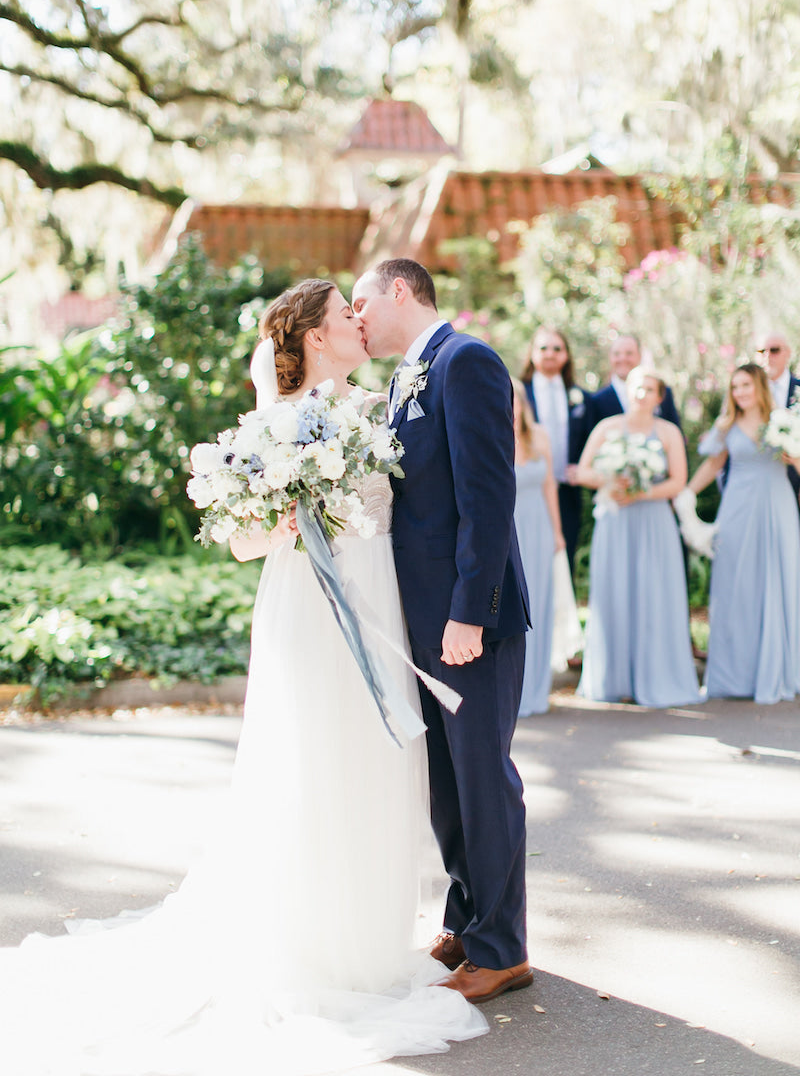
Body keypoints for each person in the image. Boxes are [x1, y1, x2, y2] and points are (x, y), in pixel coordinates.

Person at [0, 279, 487, 1075]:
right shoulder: (277, 424)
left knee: (376, 768)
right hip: (310, 611)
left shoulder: (376, 405)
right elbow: (244, 544)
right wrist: (288, 513)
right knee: (312, 768)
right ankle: (314, 950)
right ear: (316, 338)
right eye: (343, 317)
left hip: (380, 600)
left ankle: (367, 940)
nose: (358, 324)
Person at [352, 258, 532, 1006]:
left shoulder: (467, 362)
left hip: (467, 621)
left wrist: (470, 611)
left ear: (401, 291)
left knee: (483, 780)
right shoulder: (402, 380)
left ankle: (502, 949)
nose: (355, 317)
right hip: (419, 620)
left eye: (360, 302)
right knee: (447, 786)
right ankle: (467, 918)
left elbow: (488, 498)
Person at [575, 367, 703, 708]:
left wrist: (641, 492)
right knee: (615, 593)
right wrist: (610, 480)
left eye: (649, 388)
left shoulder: (669, 432)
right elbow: (581, 471)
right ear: (627, 390)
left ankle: (656, 675)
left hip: (654, 522)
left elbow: (678, 481)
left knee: (654, 593)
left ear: (660, 397)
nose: (642, 393)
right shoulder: (607, 427)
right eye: (636, 387)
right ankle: (614, 678)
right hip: (616, 521)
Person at [685, 363, 800, 703]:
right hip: (737, 509)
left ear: (760, 386)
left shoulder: (785, 420)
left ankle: (780, 669)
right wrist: (686, 494)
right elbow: (713, 464)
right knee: (735, 585)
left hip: (777, 508)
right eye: (735, 387)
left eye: (746, 385)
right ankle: (735, 675)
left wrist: (791, 453)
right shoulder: (727, 424)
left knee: (779, 582)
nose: (740, 392)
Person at [510, 377, 569, 715]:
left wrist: (557, 533)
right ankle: (513, 688)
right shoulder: (490, 435)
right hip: (509, 528)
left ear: (523, 403)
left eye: (514, 399)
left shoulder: (540, 437)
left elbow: (550, 486)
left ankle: (536, 690)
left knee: (540, 606)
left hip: (540, 528)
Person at [520, 326, 591, 574]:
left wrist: (583, 467)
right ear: (531, 353)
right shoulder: (518, 394)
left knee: (564, 552)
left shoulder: (581, 397)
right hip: (528, 487)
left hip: (567, 489)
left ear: (566, 355)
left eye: (557, 348)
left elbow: (590, 440)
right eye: (543, 348)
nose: (550, 353)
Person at [589, 334, 682, 430]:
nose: (622, 358)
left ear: (640, 355)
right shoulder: (596, 400)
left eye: (629, 353)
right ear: (610, 357)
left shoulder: (662, 392)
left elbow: (677, 434)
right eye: (617, 354)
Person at [754, 329, 800, 509]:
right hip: (758, 487)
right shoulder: (747, 395)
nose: (767, 356)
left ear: (787, 353)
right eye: (761, 351)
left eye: (774, 350)